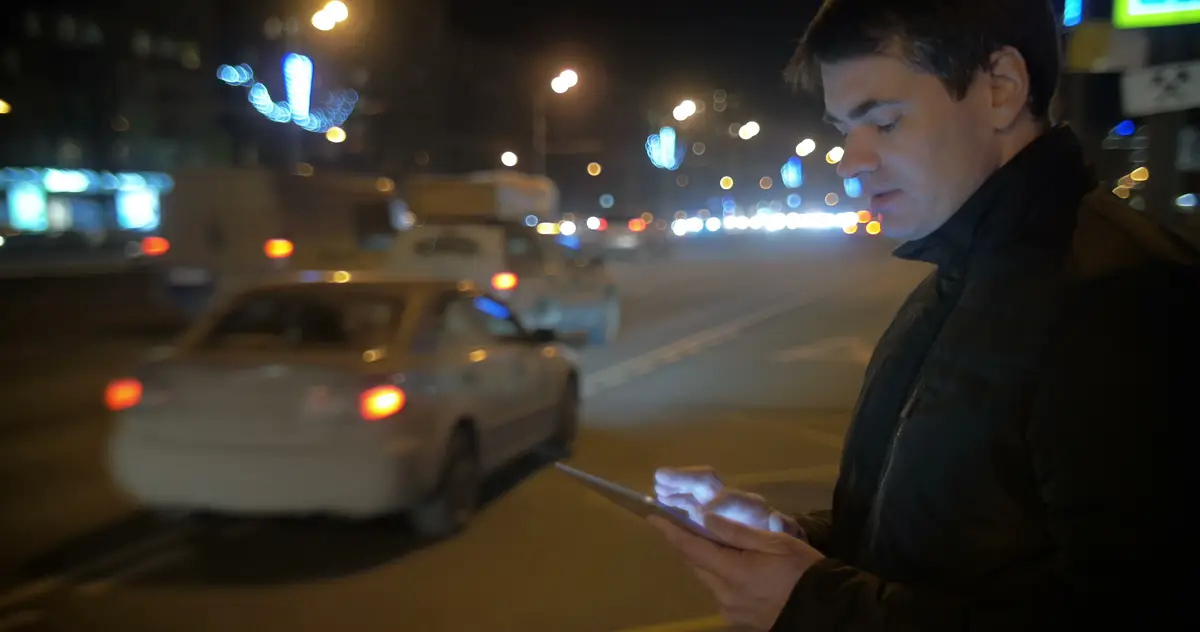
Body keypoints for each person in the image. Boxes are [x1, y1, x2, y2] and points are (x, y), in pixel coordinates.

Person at [647, 1, 1196, 630]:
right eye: (842, 131)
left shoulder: (1126, 298)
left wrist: (816, 605)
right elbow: (943, 546)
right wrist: (787, 541)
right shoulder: (953, 285)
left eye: (882, 123)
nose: (851, 161)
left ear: (1000, 89)